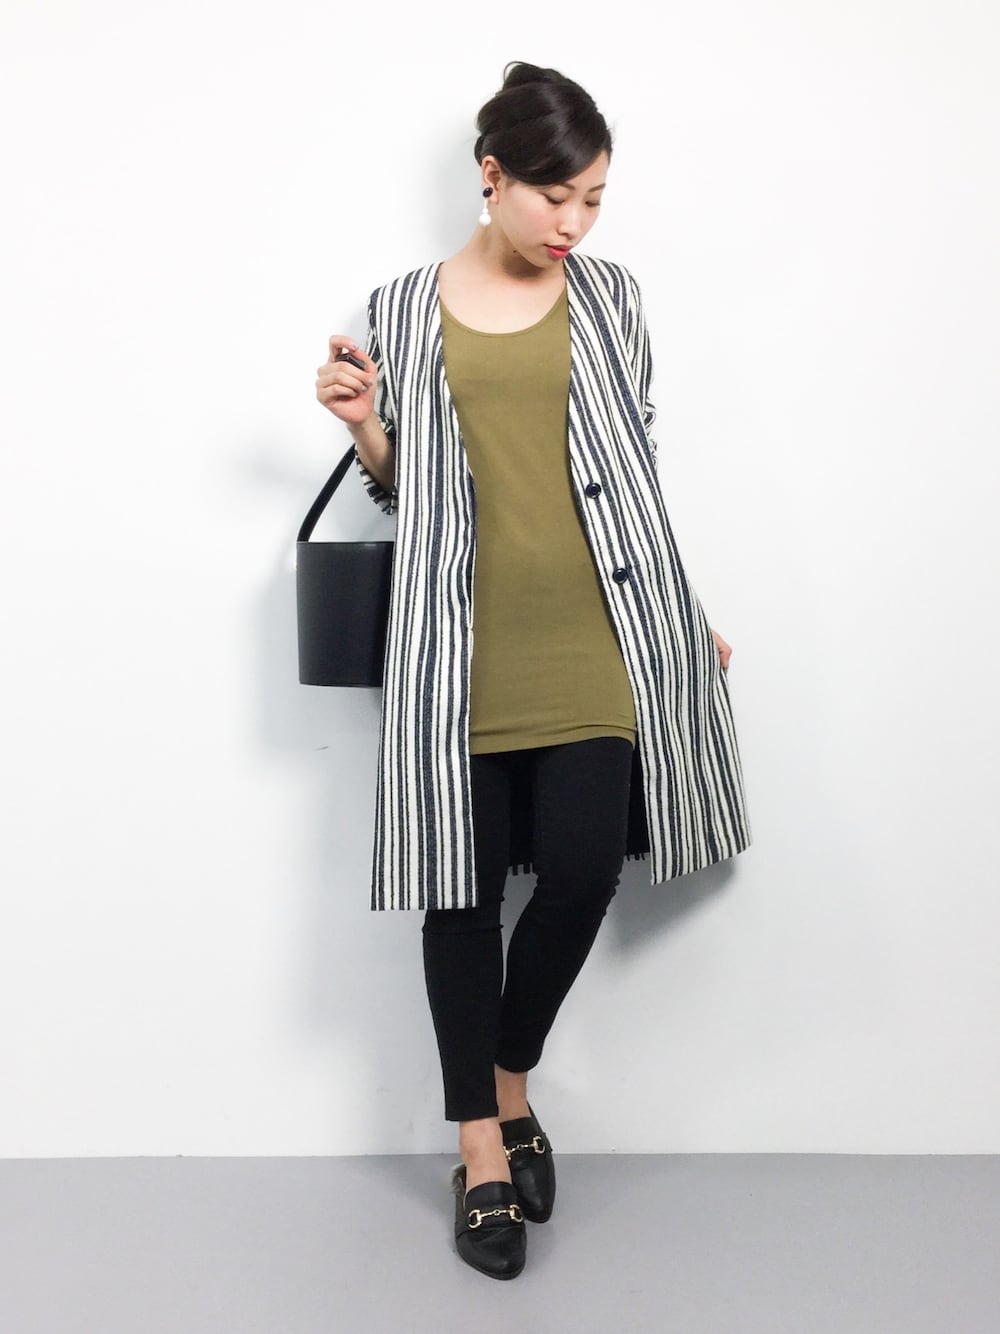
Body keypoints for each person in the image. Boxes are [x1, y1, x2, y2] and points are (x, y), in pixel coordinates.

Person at [315, 61, 752, 1280]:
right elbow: (411, 491)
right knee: (459, 893)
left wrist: (686, 610)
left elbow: (635, 468)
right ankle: (481, 1149)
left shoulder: (610, 297)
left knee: (578, 869)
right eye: (555, 195)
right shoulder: (403, 307)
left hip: (597, 629)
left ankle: (507, 1079)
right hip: (460, 641)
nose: (574, 222)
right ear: (492, 175)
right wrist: (364, 426)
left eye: (595, 199)